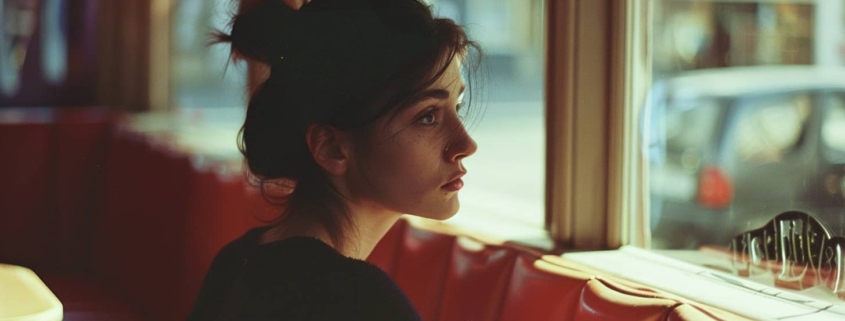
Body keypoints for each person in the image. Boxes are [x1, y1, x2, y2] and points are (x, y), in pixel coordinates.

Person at [186, 0, 480, 319]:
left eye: (458, 106)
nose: (466, 144)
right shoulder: (363, 302)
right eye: (427, 116)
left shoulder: (236, 261)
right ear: (331, 148)